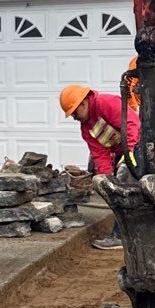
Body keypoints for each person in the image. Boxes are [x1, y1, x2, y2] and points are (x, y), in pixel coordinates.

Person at [60, 82, 140, 249]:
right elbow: (99, 154)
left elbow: (131, 123)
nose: (74, 117)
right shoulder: (86, 128)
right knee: (116, 189)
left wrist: (130, 151)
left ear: (83, 103)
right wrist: (106, 177)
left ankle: (120, 236)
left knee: (125, 185)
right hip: (122, 151)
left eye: (75, 112)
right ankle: (126, 234)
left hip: (138, 144)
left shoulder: (105, 103)